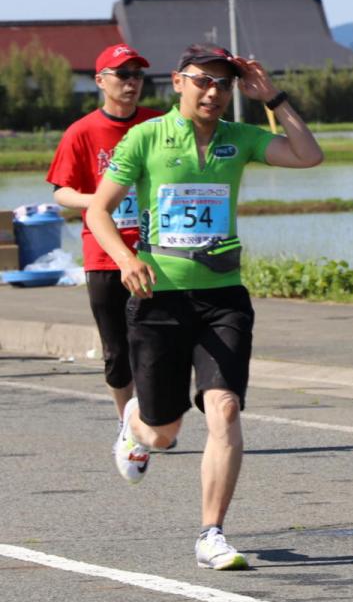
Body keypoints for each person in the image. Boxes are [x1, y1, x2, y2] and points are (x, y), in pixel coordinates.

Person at [90, 44, 323, 570]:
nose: (214, 92)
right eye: (203, 81)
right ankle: (136, 423)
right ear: (178, 82)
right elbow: (100, 212)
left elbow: (309, 156)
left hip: (223, 296)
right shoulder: (146, 137)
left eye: (224, 84)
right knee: (164, 431)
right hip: (158, 297)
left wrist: (274, 97)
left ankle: (211, 533)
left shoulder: (238, 139)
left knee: (225, 408)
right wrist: (125, 258)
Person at [45, 45, 162, 424]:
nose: (132, 82)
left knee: (156, 344)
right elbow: (60, 190)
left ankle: (155, 416)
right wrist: (97, 200)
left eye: (137, 75)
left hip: (155, 252)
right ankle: (128, 425)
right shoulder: (82, 132)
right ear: (100, 81)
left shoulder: (158, 125)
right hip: (104, 255)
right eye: (122, 75)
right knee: (117, 350)